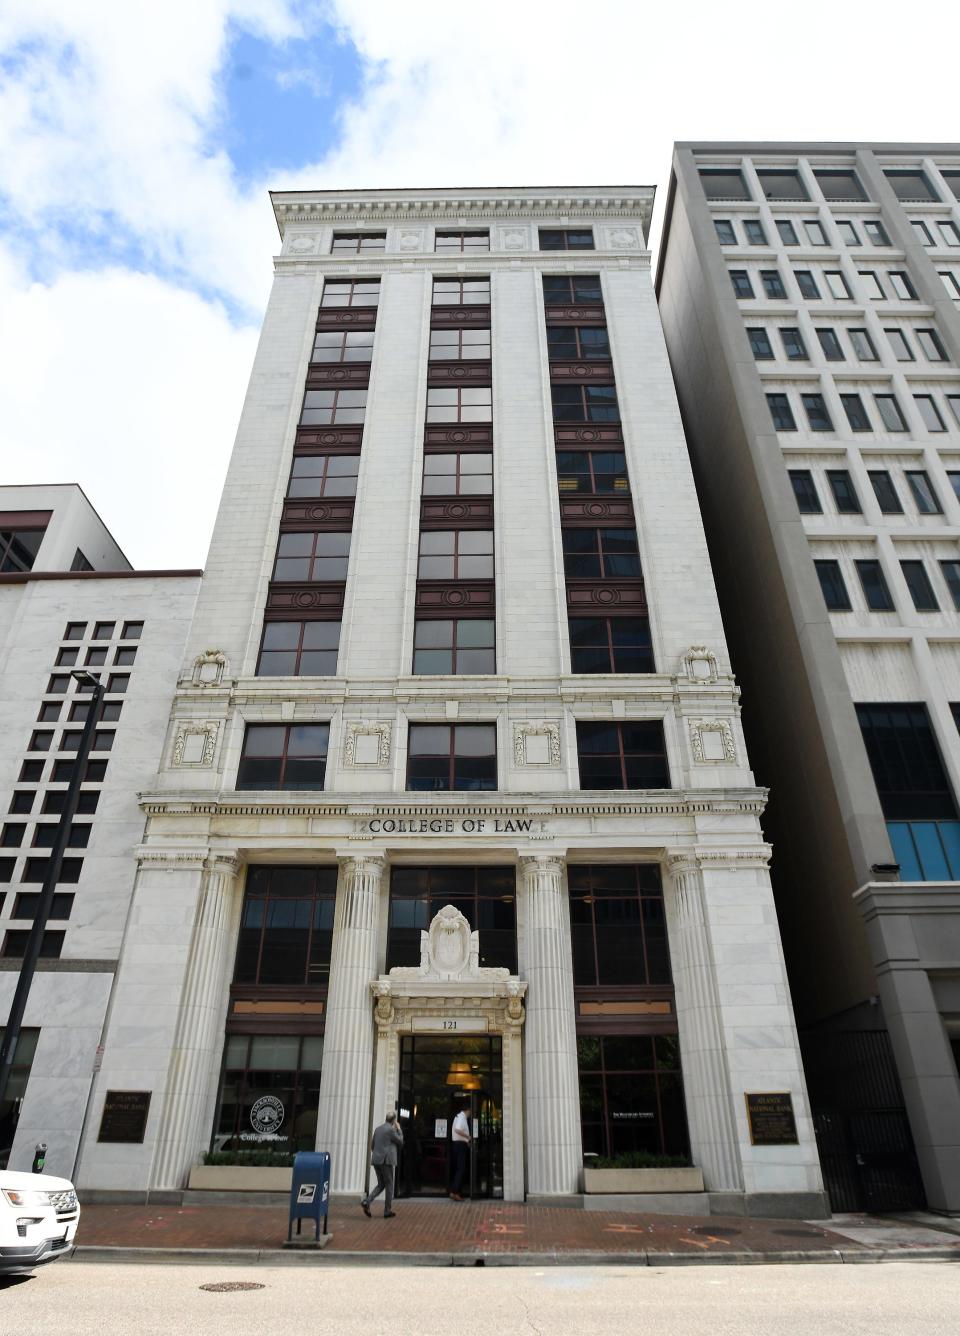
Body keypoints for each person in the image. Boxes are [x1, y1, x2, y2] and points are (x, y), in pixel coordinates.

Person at [361, 1110, 403, 1218]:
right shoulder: (391, 1130)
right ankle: (387, 1211)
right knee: (389, 1185)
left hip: (376, 1160)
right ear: (393, 1120)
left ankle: (367, 1202)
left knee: (381, 1184)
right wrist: (399, 1129)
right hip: (386, 1161)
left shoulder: (378, 1129)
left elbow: (372, 1146)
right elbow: (400, 1141)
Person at [449, 1099, 471, 1201]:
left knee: (459, 1169)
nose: (470, 1114)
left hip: (457, 1145)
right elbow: (457, 1130)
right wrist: (468, 1137)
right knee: (461, 1169)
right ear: (468, 1110)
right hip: (460, 1146)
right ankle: (455, 1192)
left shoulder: (458, 1116)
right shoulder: (462, 1117)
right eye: (470, 1111)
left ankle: (454, 1191)